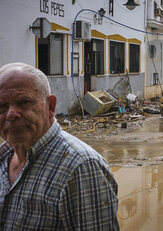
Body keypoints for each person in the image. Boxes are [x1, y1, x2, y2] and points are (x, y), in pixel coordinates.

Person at [0, 63, 119, 230]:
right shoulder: (3, 157)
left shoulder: (82, 167)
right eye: (2, 106)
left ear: (50, 106)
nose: (11, 114)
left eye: (24, 102)